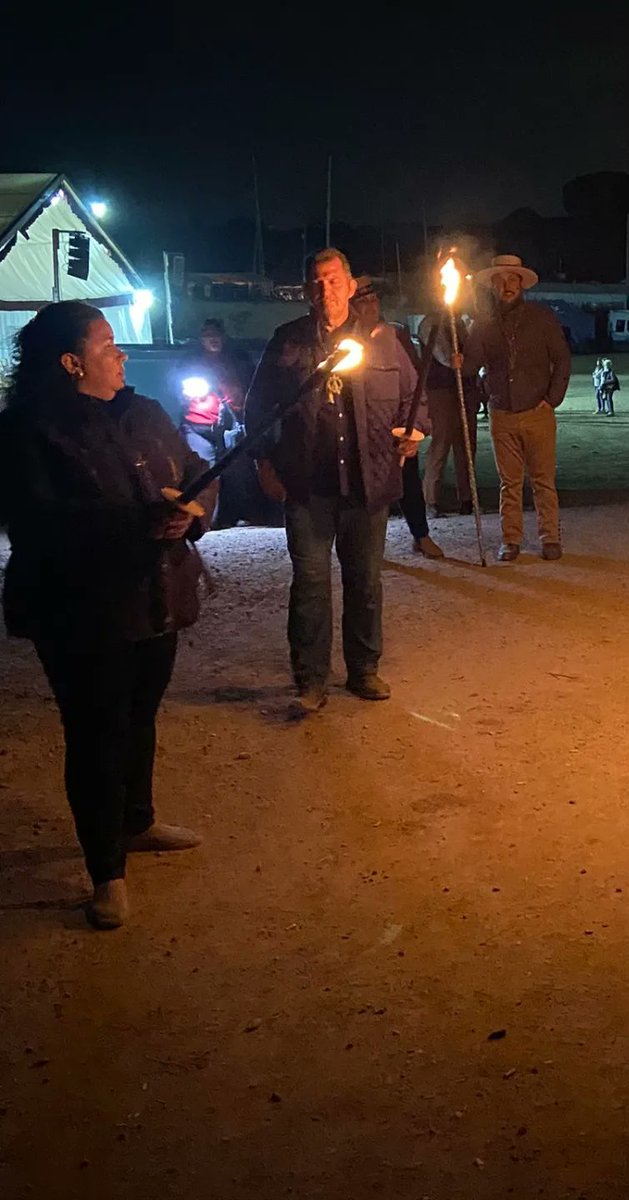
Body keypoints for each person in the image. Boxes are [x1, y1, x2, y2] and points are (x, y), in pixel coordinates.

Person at [0, 302, 214, 929]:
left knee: (140, 714)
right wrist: (140, 523)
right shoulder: (26, 432)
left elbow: (198, 473)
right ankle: (106, 870)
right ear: (71, 362)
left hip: (155, 597)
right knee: (97, 733)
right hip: (82, 611)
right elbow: (40, 524)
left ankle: (137, 821)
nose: (121, 355)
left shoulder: (142, 413)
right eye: (108, 345)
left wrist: (192, 513)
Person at [246, 248, 420, 714]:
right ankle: (310, 679)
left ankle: (363, 669)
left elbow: (412, 399)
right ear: (307, 291)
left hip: (368, 483)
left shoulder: (383, 340)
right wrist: (264, 462)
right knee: (310, 584)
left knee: (365, 581)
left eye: (333, 280)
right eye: (316, 282)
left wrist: (414, 432)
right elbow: (258, 408)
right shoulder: (288, 342)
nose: (325, 290)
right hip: (307, 486)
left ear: (349, 285)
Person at [459, 254, 571, 562]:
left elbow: (562, 359)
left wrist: (553, 399)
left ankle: (550, 537)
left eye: (512, 280)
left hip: (538, 410)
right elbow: (470, 366)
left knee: (543, 479)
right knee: (509, 483)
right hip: (502, 412)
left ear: (521, 284)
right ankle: (511, 540)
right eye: (500, 281)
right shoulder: (483, 323)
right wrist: (457, 358)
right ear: (493, 286)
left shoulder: (542, 317)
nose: (506, 286)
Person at [349, 282, 441, 558]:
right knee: (361, 492)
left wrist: (412, 428)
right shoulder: (344, 342)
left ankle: (420, 535)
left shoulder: (393, 338)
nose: (370, 307)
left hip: (395, 430)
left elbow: (413, 388)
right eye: (362, 302)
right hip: (358, 434)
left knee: (408, 483)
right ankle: (366, 546)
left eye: (374, 301)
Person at [174, 318, 264, 528]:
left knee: (238, 468)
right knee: (203, 469)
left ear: (223, 337)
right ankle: (206, 519)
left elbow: (251, 388)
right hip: (197, 425)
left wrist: (239, 396)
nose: (212, 339)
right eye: (207, 335)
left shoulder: (237, 361)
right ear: (201, 339)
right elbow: (178, 388)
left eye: (216, 335)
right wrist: (187, 394)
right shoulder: (190, 362)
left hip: (229, 425)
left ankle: (241, 512)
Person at [419, 310, 479, 516]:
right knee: (441, 442)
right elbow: (445, 357)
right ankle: (431, 500)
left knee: (466, 445)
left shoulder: (461, 324)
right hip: (441, 391)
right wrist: (457, 361)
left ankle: (467, 499)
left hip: (465, 389)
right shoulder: (431, 324)